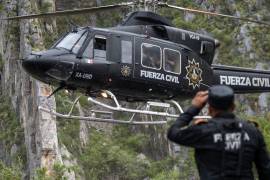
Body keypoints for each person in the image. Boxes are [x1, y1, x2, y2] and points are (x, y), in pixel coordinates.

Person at [167, 85, 270, 180]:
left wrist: (195, 108)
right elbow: (265, 171)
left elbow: (173, 133)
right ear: (233, 106)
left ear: (210, 109)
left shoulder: (203, 131)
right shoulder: (252, 131)